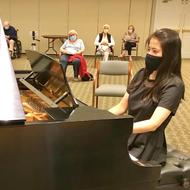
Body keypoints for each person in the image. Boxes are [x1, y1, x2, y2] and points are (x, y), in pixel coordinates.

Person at [109, 28, 185, 166]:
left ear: (169, 56)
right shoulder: (141, 74)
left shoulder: (174, 85)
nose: (149, 55)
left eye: (155, 51)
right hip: (127, 135)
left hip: (146, 145)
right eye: (149, 49)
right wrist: (99, 119)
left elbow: (153, 124)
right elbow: (121, 107)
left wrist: (119, 128)